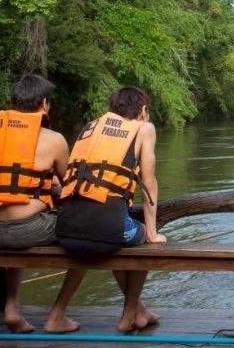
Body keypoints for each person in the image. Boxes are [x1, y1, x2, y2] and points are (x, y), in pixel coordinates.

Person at [53, 86, 166, 333]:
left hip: (66, 226)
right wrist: (152, 233)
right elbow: (149, 182)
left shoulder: (91, 127)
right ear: (142, 110)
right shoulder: (144, 128)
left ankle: (57, 314)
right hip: (105, 230)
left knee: (113, 231)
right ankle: (130, 314)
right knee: (140, 239)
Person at [0, 74, 70, 334]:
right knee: (82, 231)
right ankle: (57, 314)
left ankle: (12, 308)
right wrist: (50, 188)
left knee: (15, 233)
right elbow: (70, 186)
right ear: (44, 104)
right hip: (26, 230)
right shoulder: (54, 139)